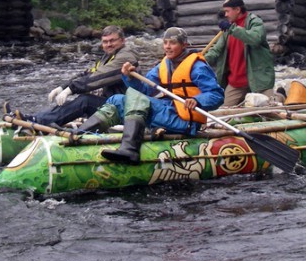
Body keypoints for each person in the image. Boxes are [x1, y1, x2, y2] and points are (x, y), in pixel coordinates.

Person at [76, 27, 224, 164]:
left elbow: (217, 95)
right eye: (165, 43)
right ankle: (80, 134)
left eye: (172, 43)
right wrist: (130, 78)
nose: (167, 47)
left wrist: (197, 100)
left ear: (184, 45)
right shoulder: (164, 65)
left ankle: (130, 149)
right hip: (169, 111)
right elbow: (144, 90)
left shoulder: (198, 67)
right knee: (117, 99)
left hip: (185, 121)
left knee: (136, 100)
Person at [11, 25, 138, 128]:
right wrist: (63, 87)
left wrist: (71, 89)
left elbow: (98, 77)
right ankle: (36, 118)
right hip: (110, 105)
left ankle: (37, 121)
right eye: (105, 42)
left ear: (122, 41)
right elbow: (88, 74)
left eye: (112, 40)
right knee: (77, 102)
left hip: (125, 110)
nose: (108, 44)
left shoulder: (126, 57)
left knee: (85, 101)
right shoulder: (107, 57)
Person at [203, 0, 280, 108]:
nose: (226, 15)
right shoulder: (228, 29)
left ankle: (280, 96)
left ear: (238, 10)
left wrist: (232, 29)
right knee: (222, 114)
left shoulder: (255, 22)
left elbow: (255, 38)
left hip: (258, 81)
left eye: (228, 11)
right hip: (236, 83)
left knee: (270, 111)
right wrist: (199, 60)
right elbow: (216, 50)